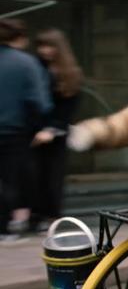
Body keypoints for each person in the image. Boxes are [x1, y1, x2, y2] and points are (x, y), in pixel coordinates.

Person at [0, 19, 52, 243]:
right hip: (14, 131)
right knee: (9, 179)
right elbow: (39, 102)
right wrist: (40, 126)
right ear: (19, 38)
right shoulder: (27, 63)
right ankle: (3, 228)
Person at [30, 28, 83, 231]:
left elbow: (68, 109)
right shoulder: (35, 68)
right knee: (35, 176)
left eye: (49, 46)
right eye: (41, 46)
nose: (45, 50)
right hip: (34, 131)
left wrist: (52, 129)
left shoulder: (69, 73)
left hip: (56, 133)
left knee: (52, 177)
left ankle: (51, 217)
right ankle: (37, 215)